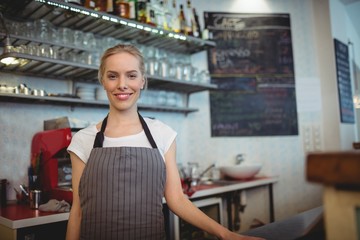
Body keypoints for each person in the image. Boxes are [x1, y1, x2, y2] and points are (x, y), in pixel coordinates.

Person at [65, 44, 264, 240]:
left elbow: (176, 199)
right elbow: (78, 211)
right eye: (112, 76)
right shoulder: (83, 140)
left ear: (143, 80)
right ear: (103, 81)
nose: (122, 84)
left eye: (131, 75)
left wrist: (226, 234)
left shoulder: (162, 134)